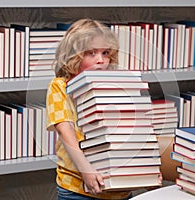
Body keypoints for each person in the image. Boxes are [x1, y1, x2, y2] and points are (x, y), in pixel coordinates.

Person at [46, 18, 132, 200]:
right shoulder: (60, 86)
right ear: (73, 55)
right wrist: (86, 170)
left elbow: (132, 129)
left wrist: (147, 167)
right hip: (77, 188)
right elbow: (64, 129)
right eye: (91, 53)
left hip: (120, 187)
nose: (101, 60)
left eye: (106, 53)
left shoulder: (117, 85)